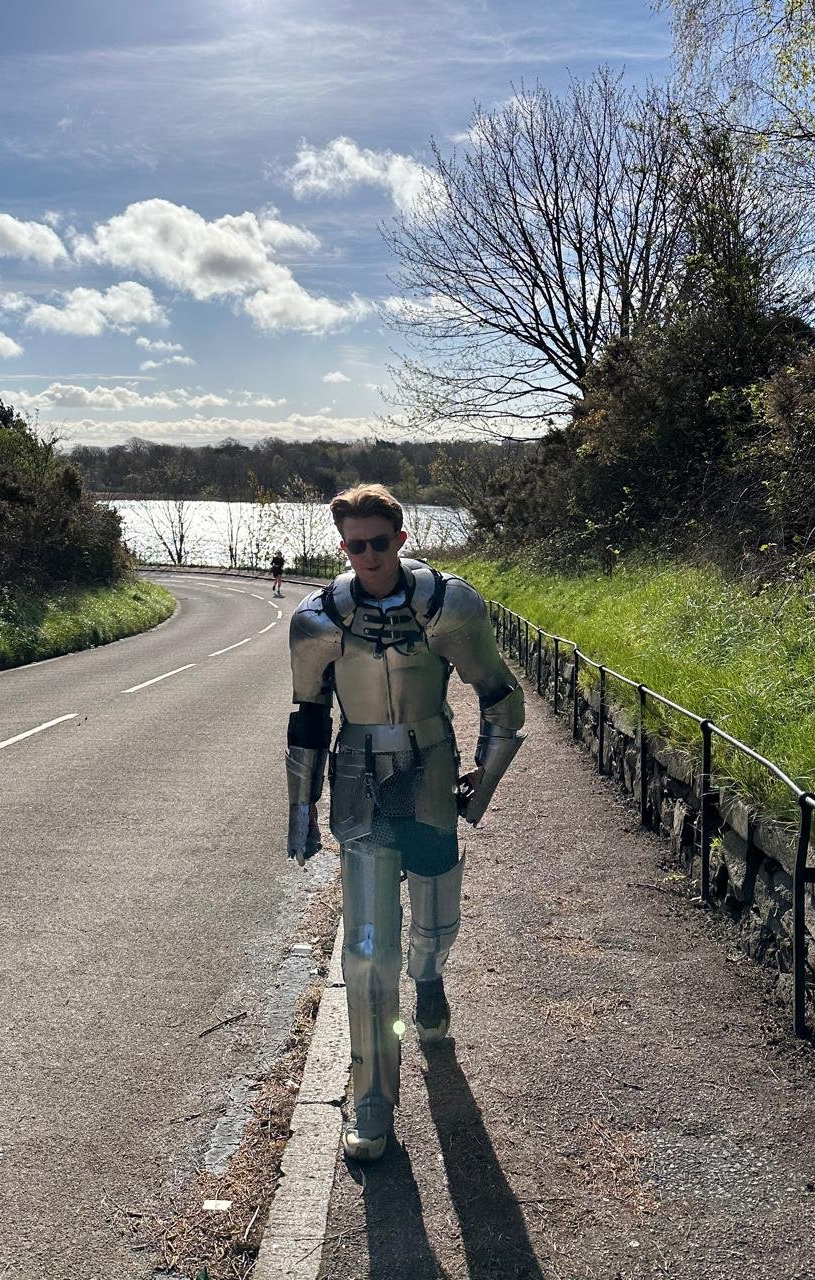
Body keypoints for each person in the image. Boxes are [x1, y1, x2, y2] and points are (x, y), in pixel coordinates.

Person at [285, 483, 525, 1162]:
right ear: (342, 546)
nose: (367, 555)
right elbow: (306, 717)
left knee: (437, 924)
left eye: (378, 542)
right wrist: (300, 808)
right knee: (365, 951)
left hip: (430, 775)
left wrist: (483, 780)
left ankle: (430, 981)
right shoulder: (319, 619)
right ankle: (372, 1100)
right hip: (359, 783)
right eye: (354, 545)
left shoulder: (449, 605)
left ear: (401, 538)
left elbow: (501, 696)